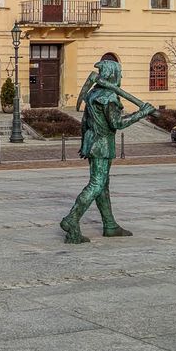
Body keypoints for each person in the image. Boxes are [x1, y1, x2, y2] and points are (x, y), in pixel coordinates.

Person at [60, 59, 156, 244]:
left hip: (92, 142)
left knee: (102, 186)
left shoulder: (93, 94)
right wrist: (143, 113)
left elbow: (85, 122)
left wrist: (83, 143)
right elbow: (118, 123)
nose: (120, 76)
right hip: (102, 144)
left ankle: (110, 225)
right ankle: (71, 219)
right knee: (97, 184)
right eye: (119, 73)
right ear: (114, 74)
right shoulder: (108, 98)